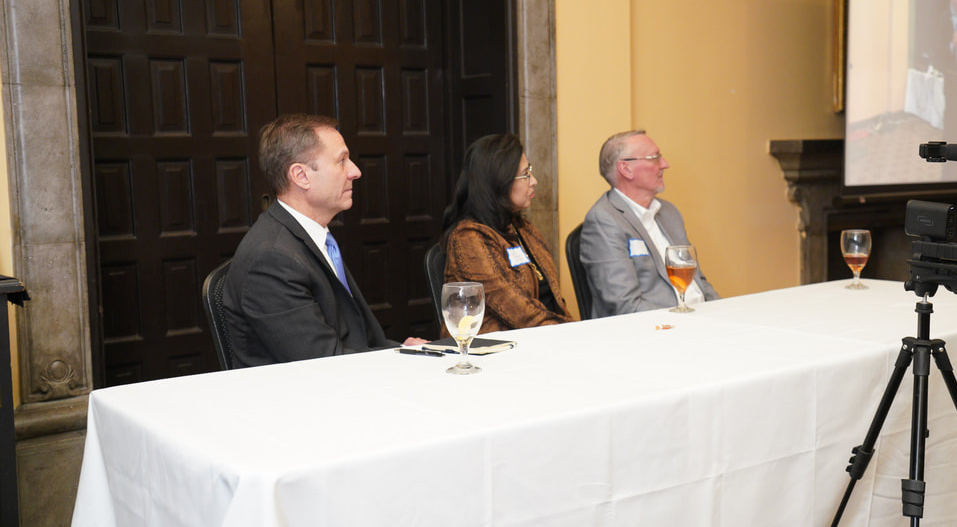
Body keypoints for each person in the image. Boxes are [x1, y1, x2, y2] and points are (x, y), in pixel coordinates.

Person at [223, 114, 426, 367]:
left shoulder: (312, 237)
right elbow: (323, 364)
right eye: (341, 161)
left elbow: (358, 339)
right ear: (301, 176)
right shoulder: (271, 258)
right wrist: (400, 362)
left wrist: (406, 352)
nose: (355, 171)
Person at [441, 134, 574, 333]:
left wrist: (576, 329)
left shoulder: (523, 228)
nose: (534, 181)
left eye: (531, 171)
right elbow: (518, 311)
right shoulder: (468, 238)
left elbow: (554, 301)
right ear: (498, 182)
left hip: (541, 338)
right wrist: (571, 333)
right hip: (497, 349)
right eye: (525, 174)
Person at [579, 130, 718, 318]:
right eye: (655, 158)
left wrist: (724, 312)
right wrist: (686, 320)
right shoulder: (604, 221)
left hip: (701, 319)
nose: (665, 164)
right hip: (658, 331)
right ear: (626, 169)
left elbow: (698, 283)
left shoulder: (669, 212)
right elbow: (625, 305)